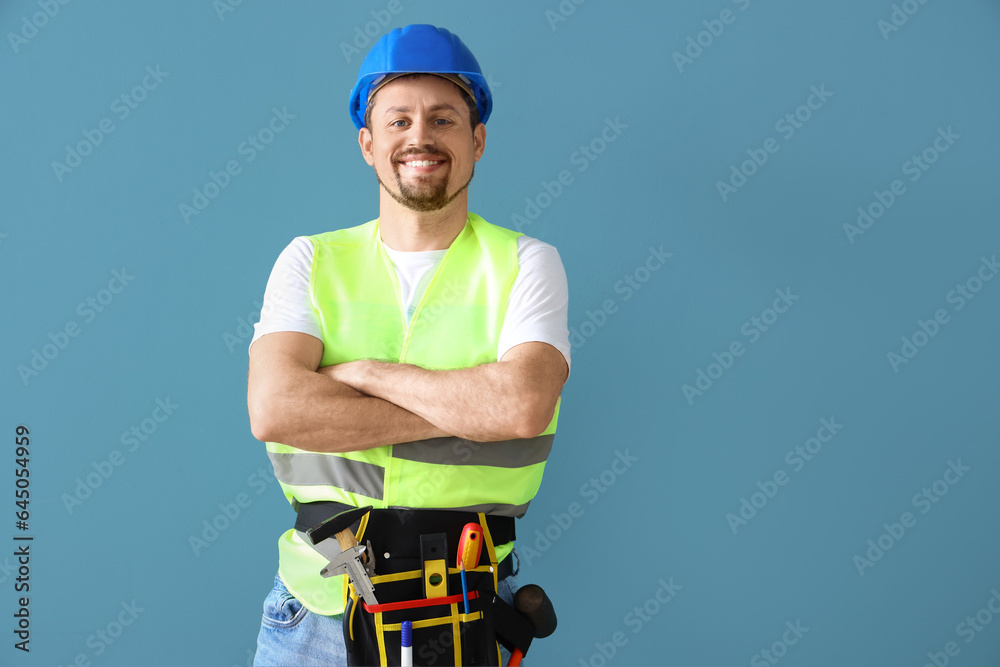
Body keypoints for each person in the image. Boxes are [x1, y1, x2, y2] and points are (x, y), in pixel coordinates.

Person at [247, 24, 570, 666]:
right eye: (398, 120)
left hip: (470, 611)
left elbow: (521, 409)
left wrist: (365, 373)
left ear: (476, 141)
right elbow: (277, 409)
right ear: (368, 144)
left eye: (443, 119)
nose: (419, 136)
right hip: (320, 613)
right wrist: (467, 410)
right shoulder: (309, 261)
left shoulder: (527, 263)